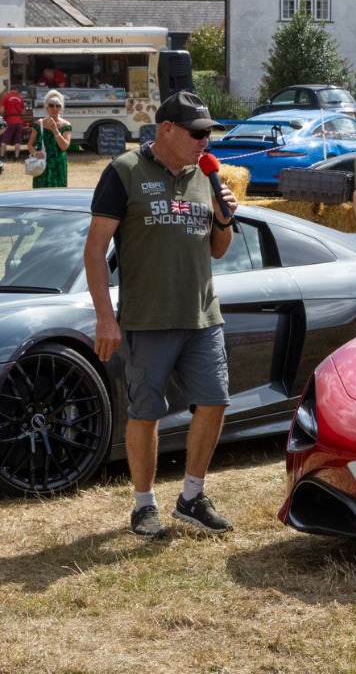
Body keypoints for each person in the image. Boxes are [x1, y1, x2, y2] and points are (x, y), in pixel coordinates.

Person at [83, 90, 237, 540]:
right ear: (167, 129)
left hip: (203, 316)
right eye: (197, 133)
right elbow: (95, 249)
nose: (205, 141)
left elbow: (218, 249)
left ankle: (192, 497)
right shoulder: (124, 171)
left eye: (209, 134)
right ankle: (143, 504)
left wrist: (223, 217)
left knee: (215, 402)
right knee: (146, 412)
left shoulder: (206, 175)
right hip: (147, 319)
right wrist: (105, 317)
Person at [28, 90, 71, 188]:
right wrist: (35, 153)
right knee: (40, 190)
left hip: (58, 163)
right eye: (51, 106)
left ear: (61, 108)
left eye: (58, 106)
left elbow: (64, 147)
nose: (54, 108)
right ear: (47, 107)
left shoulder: (66, 125)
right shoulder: (38, 124)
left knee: (58, 191)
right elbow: (30, 144)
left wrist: (55, 130)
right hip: (41, 163)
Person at [1, 85, 24, 161]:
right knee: (18, 140)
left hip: (9, 120)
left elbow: (2, 110)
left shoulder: (6, 97)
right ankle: (16, 157)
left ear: (10, 90)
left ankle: (2, 157)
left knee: (4, 139)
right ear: (16, 90)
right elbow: (23, 111)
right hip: (19, 121)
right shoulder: (20, 98)